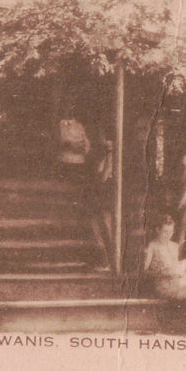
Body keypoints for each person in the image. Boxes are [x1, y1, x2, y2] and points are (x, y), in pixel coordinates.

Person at [58, 111, 111, 269]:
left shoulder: (110, 158)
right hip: (95, 194)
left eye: (104, 140)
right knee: (94, 222)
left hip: (104, 195)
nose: (102, 142)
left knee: (103, 223)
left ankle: (108, 259)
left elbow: (104, 176)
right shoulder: (96, 159)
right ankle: (103, 258)